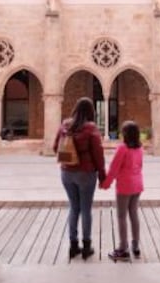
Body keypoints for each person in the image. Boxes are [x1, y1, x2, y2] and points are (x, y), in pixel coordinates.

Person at [53, 96, 106, 260]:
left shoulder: (65, 125)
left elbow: (56, 147)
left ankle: (73, 245)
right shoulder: (91, 129)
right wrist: (102, 175)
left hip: (66, 173)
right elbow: (98, 154)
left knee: (73, 208)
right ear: (91, 111)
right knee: (85, 210)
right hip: (85, 174)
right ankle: (87, 246)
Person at [100, 120, 144, 261]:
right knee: (134, 214)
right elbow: (140, 166)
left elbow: (114, 168)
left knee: (121, 216)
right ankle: (135, 246)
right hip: (137, 185)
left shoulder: (122, 149)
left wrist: (105, 183)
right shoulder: (140, 148)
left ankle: (123, 248)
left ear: (125, 134)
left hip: (125, 187)